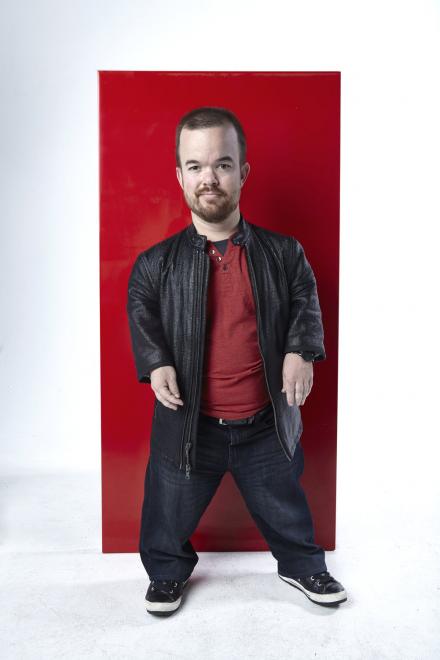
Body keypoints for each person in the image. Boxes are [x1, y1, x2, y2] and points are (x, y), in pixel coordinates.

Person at [127, 106, 347, 617]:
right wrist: (156, 362)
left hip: (264, 423)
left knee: (286, 508)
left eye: (222, 164)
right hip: (190, 425)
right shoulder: (155, 264)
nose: (209, 178)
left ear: (242, 172)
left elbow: (304, 298)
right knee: (165, 514)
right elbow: (142, 310)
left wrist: (301, 350)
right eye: (196, 166)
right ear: (180, 176)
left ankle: (301, 565)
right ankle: (166, 572)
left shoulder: (284, 253)